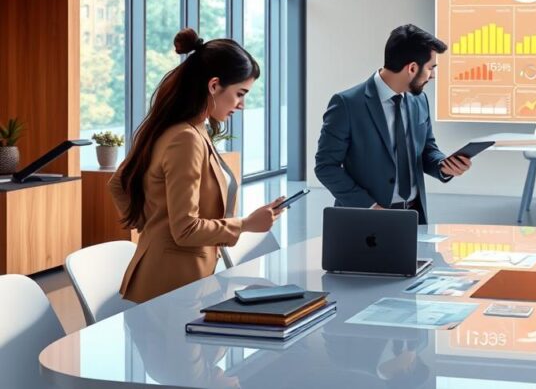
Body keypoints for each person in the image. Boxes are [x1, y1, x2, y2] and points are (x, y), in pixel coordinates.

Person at [109, 29, 283, 304]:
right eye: (240, 93)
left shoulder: (186, 129)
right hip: (170, 286)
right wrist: (247, 224)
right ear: (214, 86)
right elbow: (186, 229)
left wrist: (153, 226)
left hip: (182, 280)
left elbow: (118, 183)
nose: (242, 105)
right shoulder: (186, 138)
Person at [315, 24, 471, 224]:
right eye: (431, 68)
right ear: (412, 68)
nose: (433, 76)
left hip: (413, 216)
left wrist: (444, 166)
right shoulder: (347, 104)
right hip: (363, 219)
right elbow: (326, 167)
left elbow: (426, 150)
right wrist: (370, 208)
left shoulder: (419, 100)